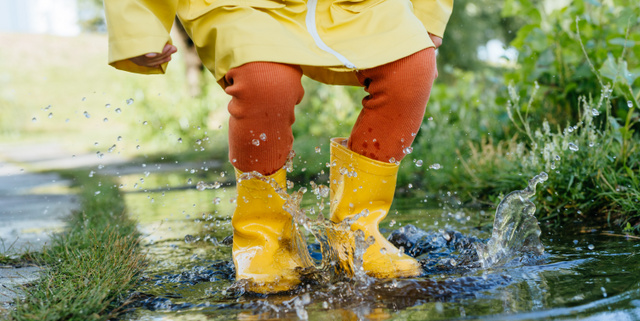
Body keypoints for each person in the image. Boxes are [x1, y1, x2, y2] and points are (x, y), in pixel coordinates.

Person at [104, 0, 453, 293]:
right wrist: (138, 28)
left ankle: (356, 232)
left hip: (355, 5)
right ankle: (265, 238)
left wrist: (427, 11)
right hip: (245, 6)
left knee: (412, 67)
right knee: (266, 83)